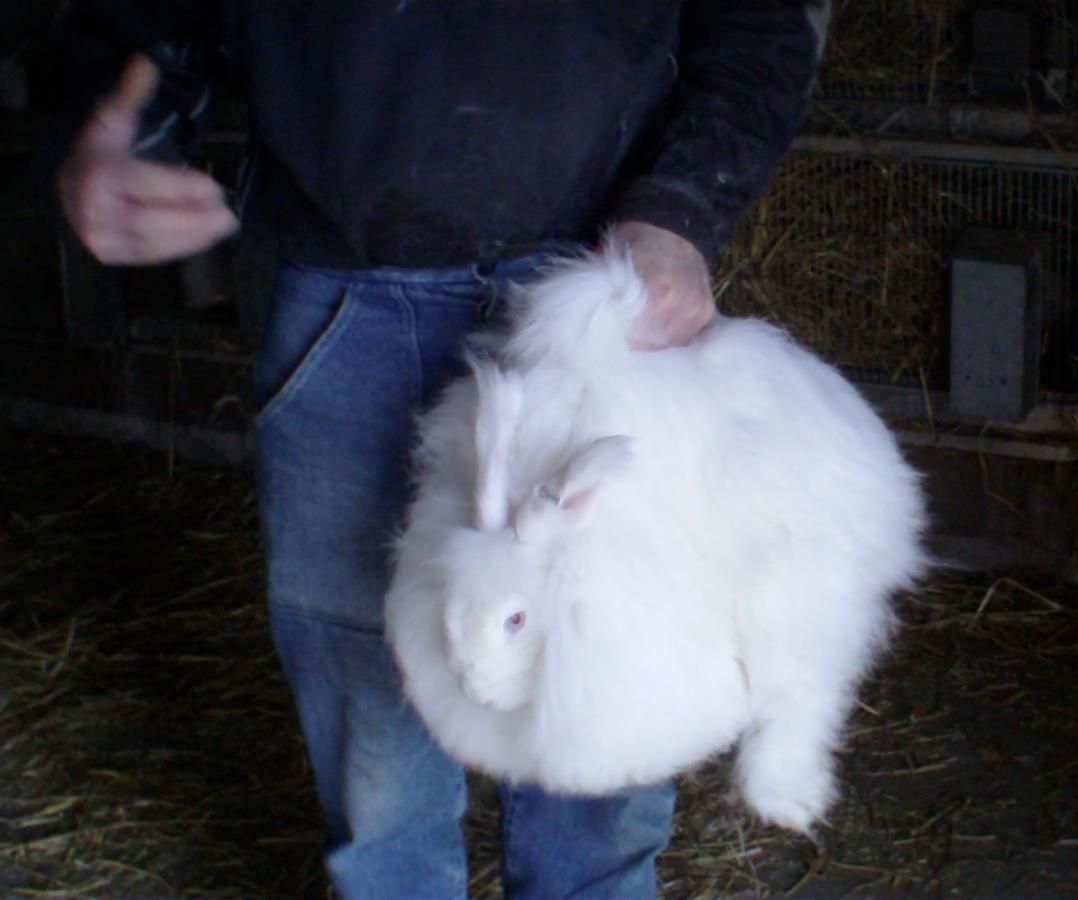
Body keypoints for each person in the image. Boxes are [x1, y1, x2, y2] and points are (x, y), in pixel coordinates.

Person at [45, 3, 827, 897]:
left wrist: (684, 206)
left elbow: (759, 23)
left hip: (600, 290)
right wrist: (118, 129)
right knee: (371, 704)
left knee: (611, 675)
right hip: (347, 278)